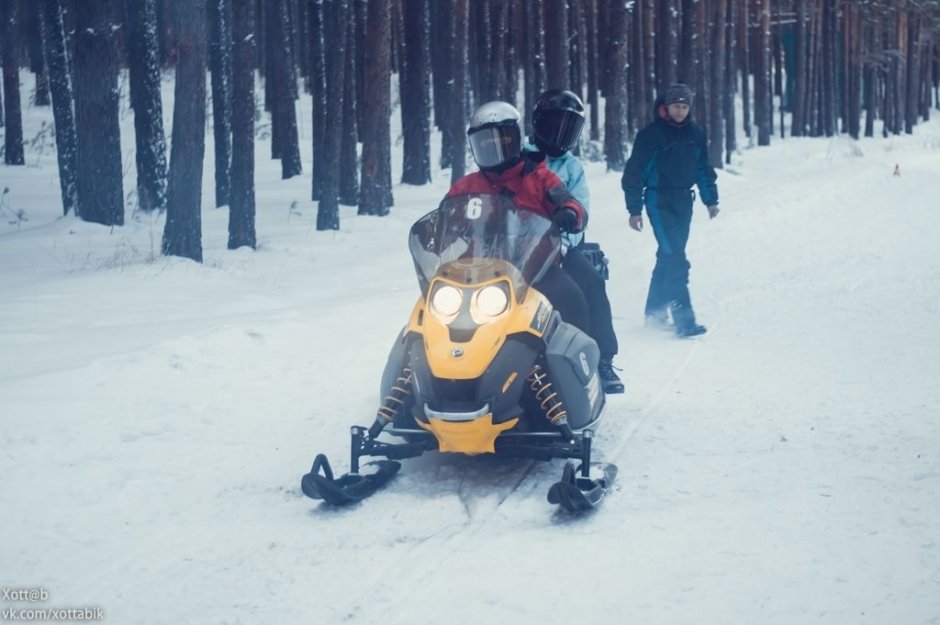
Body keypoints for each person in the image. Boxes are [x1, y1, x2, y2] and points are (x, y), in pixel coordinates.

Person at [448, 100, 590, 335]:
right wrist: (442, 228)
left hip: (533, 267)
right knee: (437, 306)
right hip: (476, 268)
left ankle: (577, 364)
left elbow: (570, 202)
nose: (494, 150)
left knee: (570, 296)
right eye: (486, 144)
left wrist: (569, 213)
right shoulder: (467, 186)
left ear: (516, 139)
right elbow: (447, 214)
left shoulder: (541, 178)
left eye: (502, 142)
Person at [526, 89, 624, 394]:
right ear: (538, 122)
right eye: (554, 124)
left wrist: (565, 238)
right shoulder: (518, 158)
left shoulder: (572, 167)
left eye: (568, 127)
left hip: (560, 245)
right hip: (515, 248)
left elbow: (581, 208)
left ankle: (602, 359)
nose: (559, 133)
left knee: (591, 283)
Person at [621, 83, 719, 338]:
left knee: (668, 255)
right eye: (676, 106)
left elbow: (703, 168)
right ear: (666, 106)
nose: (680, 111)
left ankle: (654, 313)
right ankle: (684, 321)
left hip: (684, 202)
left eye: (685, 107)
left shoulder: (695, 134)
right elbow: (634, 173)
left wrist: (711, 200)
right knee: (676, 259)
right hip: (658, 201)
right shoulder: (651, 135)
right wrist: (635, 209)